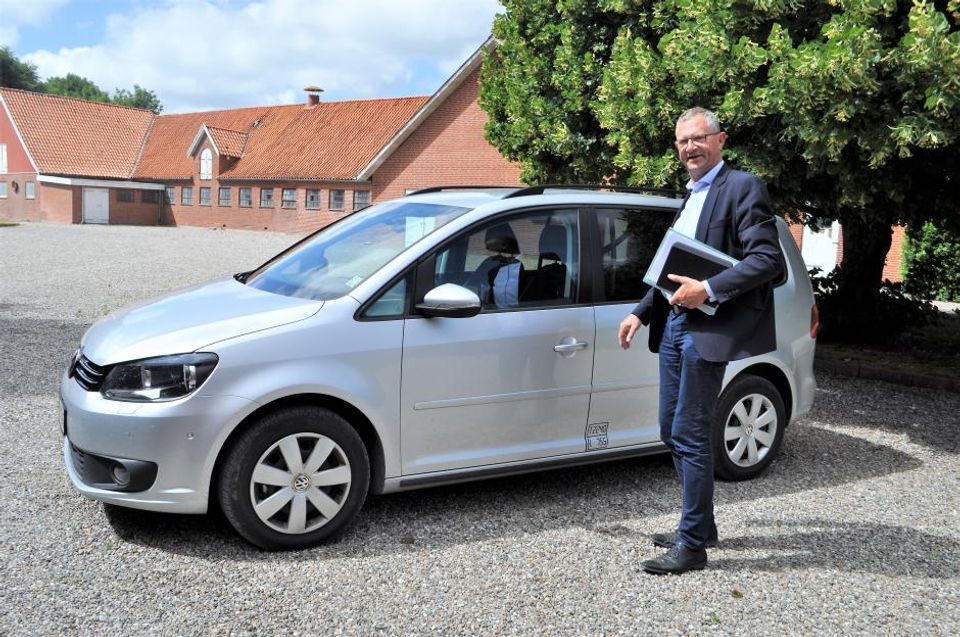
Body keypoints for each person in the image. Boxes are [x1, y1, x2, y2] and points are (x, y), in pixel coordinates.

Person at [618, 107, 783, 575]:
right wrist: (639, 310)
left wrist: (708, 290)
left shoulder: (742, 188)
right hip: (672, 325)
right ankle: (702, 525)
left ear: (720, 140)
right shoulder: (690, 197)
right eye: (682, 141)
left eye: (698, 138)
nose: (690, 147)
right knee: (672, 429)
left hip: (709, 326)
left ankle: (691, 546)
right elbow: (670, 267)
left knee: (690, 432)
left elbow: (767, 260)